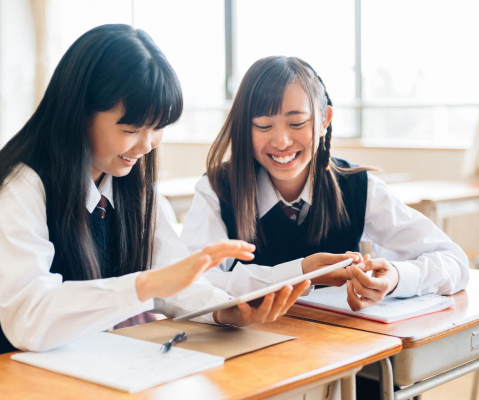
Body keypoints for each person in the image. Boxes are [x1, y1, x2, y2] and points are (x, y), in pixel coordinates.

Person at [0, 27, 309, 359]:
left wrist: (224, 311)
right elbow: (28, 317)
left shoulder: (133, 188)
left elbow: (172, 275)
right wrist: (145, 285)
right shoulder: (18, 187)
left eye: (158, 127)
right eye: (131, 129)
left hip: (86, 366)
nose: (146, 144)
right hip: (6, 375)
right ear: (79, 113)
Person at [181, 55, 469, 310]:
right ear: (246, 127)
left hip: (342, 355)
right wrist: (302, 272)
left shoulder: (357, 187)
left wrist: (396, 277)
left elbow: (453, 261)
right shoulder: (217, 190)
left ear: (323, 121)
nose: (281, 141)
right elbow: (189, 285)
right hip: (249, 355)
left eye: (297, 123)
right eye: (264, 126)